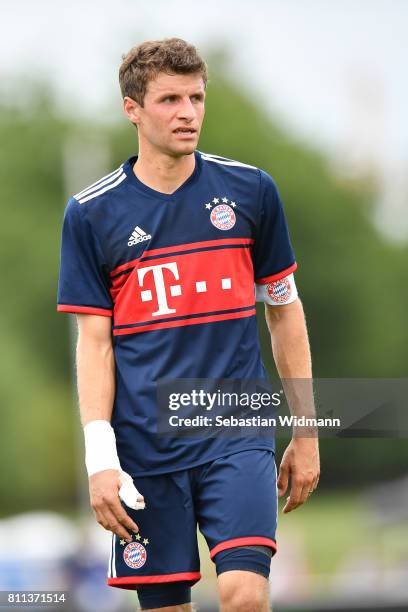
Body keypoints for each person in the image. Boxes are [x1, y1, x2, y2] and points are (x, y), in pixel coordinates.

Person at [57, 38, 320, 612]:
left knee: (243, 593)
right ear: (133, 109)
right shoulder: (91, 213)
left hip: (237, 429)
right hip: (145, 447)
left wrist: (306, 430)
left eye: (197, 98)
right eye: (170, 99)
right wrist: (100, 457)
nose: (188, 113)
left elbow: (284, 310)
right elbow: (95, 345)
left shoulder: (251, 192)